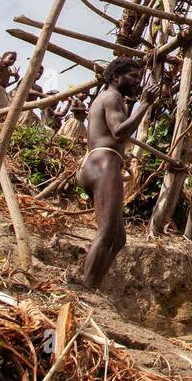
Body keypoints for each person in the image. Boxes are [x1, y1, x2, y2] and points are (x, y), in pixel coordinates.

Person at [77, 58, 159, 288]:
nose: (137, 82)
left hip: (97, 163)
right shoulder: (112, 97)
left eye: (139, 78)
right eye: (133, 77)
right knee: (105, 233)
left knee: (119, 238)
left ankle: (93, 284)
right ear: (115, 77)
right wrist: (144, 104)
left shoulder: (105, 98)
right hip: (105, 164)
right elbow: (119, 132)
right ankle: (87, 288)